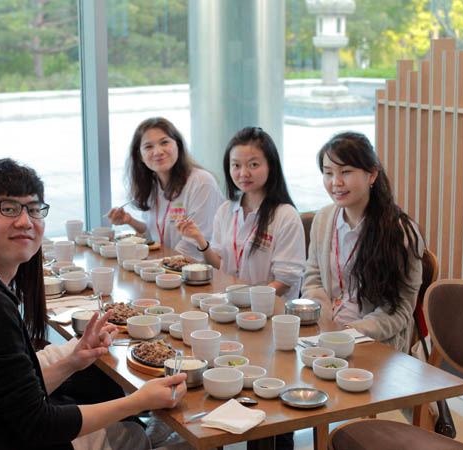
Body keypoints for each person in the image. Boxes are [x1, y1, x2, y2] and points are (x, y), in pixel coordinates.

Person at [0, 158, 187, 450]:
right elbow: (39, 424)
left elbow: (15, 399)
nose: (25, 221)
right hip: (4, 440)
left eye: (33, 209)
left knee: (116, 407)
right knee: (140, 435)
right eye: (7, 209)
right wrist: (137, 401)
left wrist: (73, 361)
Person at [302, 132, 423, 352]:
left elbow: (399, 309)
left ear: (372, 174)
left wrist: (349, 331)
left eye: (346, 172)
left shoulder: (399, 232)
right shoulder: (323, 219)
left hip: (375, 343)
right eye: (328, 173)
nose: (335, 182)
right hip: (324, 332)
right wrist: (325, 320)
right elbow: (313, 279)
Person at [175, 127, 305, 299]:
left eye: (253, 165)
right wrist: (199, 240)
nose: (244, 173)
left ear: (271, 166)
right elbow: (220, 265)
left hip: (269, 311)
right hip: (230, 305)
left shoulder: (286, 216)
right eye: (236, 165)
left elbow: (285, 282)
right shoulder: (226, 210)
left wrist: (247, 300)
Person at [107, 117, 223, 259]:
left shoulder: (202, 182)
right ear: (140, 156)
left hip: (197, 272)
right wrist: (130, 221)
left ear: (178, 146)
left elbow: (194, 244)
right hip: (167, 269)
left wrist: (159, 267)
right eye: (149, 147)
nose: (158, 152)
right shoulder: (152, 184)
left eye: (164, 142)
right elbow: (154, 237)